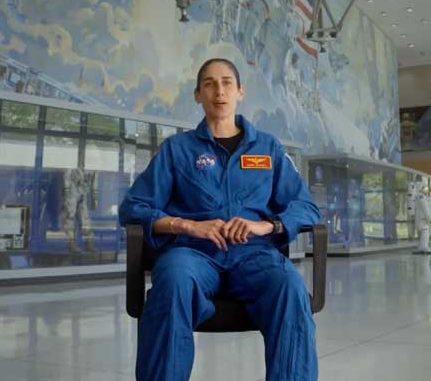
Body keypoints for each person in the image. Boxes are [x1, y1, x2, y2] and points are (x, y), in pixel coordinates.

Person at [118, 58, 321, 381]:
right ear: (198, 94)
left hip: (254, 254)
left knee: (290, 287)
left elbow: (306, 206)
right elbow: (133, 206)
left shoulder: (268, 148)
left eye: (227, 82)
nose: (219, 91)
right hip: (192, 254)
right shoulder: (177, 150)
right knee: (172, 282)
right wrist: (186, 225)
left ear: (241, 92)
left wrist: (267, 225)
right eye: (209, 84)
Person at [414, 180, 431, 253]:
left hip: (425, 218)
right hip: (421, 218)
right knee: (425, 231)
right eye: (424, 187)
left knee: (426, 231)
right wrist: (429, 217)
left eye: (426, 188)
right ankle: (424, 247)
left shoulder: (426, 197)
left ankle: (422, 246)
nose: (426, 189)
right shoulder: (420, 196)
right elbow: (425, 207)